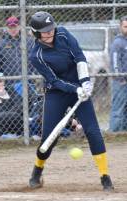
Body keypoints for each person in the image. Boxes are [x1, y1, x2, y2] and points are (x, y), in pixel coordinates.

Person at [28, 11, 114, 191]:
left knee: (92, 131)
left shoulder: (63, 34)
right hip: (56, 93)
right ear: (36, 33)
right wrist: (75, 88)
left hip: (79, 88)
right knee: (49, 138)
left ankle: (105, 177)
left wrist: (85, 81)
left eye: (51, 28)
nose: (49, 32)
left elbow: (79, 57)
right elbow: (54, 81)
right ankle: (38, 169)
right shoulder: (36, 55)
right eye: (44, 30)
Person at [109, 15, 127, 132]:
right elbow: (115, 64)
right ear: (121, 27)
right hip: (121, 82)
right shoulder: (118, 43)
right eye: (126, 26)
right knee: (118, 110)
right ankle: (114, 133)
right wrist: (121, 79)